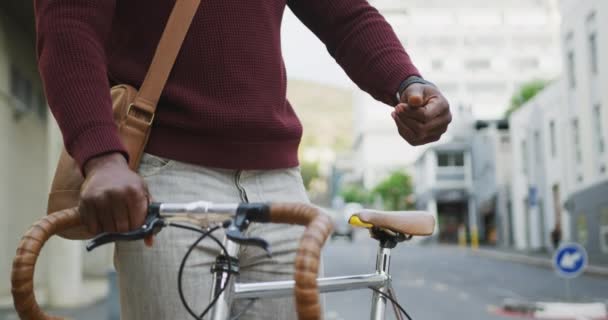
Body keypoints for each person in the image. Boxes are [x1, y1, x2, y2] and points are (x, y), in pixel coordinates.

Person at [35, 0, 451, 319]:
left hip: (280, 183)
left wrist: (407, 81)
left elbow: (345, 15)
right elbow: (69, 23)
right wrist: (102, 155)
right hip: (167, 173)